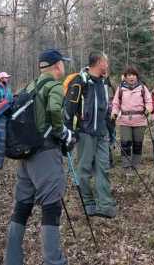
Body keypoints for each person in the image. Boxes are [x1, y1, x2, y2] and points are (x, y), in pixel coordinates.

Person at [4, 49, 73, 265]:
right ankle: (54, 261)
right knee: (51, 207)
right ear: (56, 65)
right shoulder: (54, 86)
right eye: (62, 63)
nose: (64, 66)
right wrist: (63, 132)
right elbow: (54, 109)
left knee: (22, 206)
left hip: (27, 155)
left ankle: (12, 259)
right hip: (45, 153)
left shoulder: (31, 85)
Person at [64, 51, 117, 218]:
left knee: (104, 168)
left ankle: (105, 205)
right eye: (106, 62)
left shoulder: (104, 82)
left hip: (102, 133)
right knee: (84, 169)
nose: (107, 66)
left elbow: (105, 108)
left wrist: (111, 129)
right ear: (99, 62)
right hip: (85, 133)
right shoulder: (80, 82)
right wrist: (68, 134)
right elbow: (68, 110)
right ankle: (88, 202)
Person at [111, 66, 153, 173]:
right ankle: (126, 166)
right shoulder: (120, 88)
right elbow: (116, 103)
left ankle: (135, 165)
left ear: (137, 76)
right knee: (125, 143)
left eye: (134, 75)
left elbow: (149, 101)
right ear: (125, 77)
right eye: (129, 75)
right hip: (125, 120)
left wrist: (148, 109)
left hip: (140, 120)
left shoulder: (142, 87)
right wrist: (114, 113)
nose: (132, 77)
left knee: (138, 143)